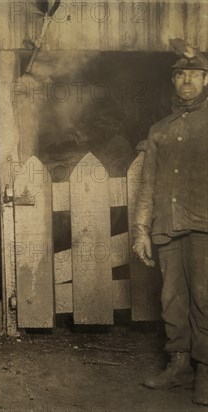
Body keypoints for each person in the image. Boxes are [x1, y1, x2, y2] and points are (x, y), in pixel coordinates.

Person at [132, 45, 208, 406]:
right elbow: (147, 183)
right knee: (172, 299)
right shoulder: (159, 130)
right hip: (167, 224)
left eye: (194, 73)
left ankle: (205, 369)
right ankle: (179, 365)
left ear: (207, 79)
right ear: (173, 81)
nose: (187, 80)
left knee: (205, 298)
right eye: (180, 74)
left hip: (204, 225)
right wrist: (141, 230)